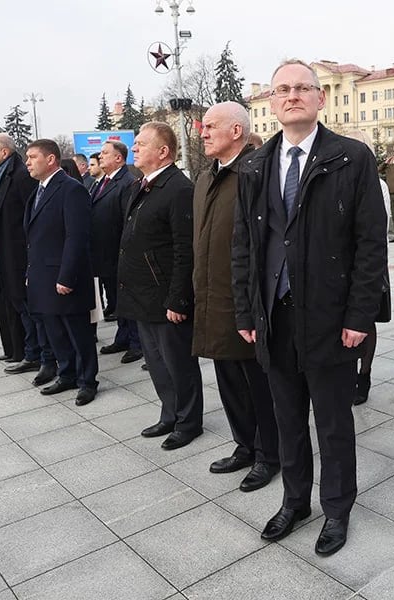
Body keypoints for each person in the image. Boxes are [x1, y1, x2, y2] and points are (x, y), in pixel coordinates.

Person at [232, 60, 387, 556]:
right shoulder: (254, 166)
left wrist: (359, 317)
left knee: (333, 423)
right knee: (287, 418)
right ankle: (295, 500)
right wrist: (245, 313)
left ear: (320, 99)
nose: (292, 96)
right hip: (273, 318)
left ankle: (337, 508)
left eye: (303, 88)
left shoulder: (351, 157)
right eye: (282, 89)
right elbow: (244, 247)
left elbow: (370, 245)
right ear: (270, 103)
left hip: (329, 317)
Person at [194, 101, 279, 492]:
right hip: (213, 294)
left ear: (236, 132)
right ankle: (244, 444)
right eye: (202, 126)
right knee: (228, 377)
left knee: (258, 383)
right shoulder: (207, 176)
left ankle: (269, 454)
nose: (203, 132)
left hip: (248, 298)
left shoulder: (258, 172)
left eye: (211, 126)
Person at [117, 122, 204, 450]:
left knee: (178, 363)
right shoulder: (143, 185)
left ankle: (188, 421)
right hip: (143, 294)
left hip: (167, 297)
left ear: (163, 151)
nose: (135, 148)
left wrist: (179, 300)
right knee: (156, 362)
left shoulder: (178, 188)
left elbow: (186, 250)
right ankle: (170, 413)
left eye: (141, 143)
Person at [23, 139, 99, 406]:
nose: (28, 162)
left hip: (66, 278)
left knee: (78, 333)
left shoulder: (71, 190)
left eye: (32, 157)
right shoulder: (38, 191)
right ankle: (66, 374)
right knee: (55, 331)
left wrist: (66, 276)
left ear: (51, 159)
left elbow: (76, 237)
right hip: (43, 276)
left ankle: (87, 381)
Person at [0, 133, 55, 385]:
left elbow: (34, 218)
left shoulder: (21, 176)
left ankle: (37, 354)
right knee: (18, 307)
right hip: (2, 254)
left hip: (20, 256)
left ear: (4, 152)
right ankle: (28, 351)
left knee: (30, 309)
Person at [343, 128, 391, 406]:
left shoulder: (378, 184)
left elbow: (378, 229)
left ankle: (364, 374)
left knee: (366, 321)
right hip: (339, 266)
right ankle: (346, 372)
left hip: (367, 263)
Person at [89, 140, 142, 364]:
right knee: (115, 299)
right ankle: (123, 336)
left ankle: (136, 343)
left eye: (105, 153)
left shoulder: (126, 182)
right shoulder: (102, 182)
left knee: (127, 298)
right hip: (104, 253)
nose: (101, 157)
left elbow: (127, 221)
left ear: (118, 158)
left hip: (118, 252)